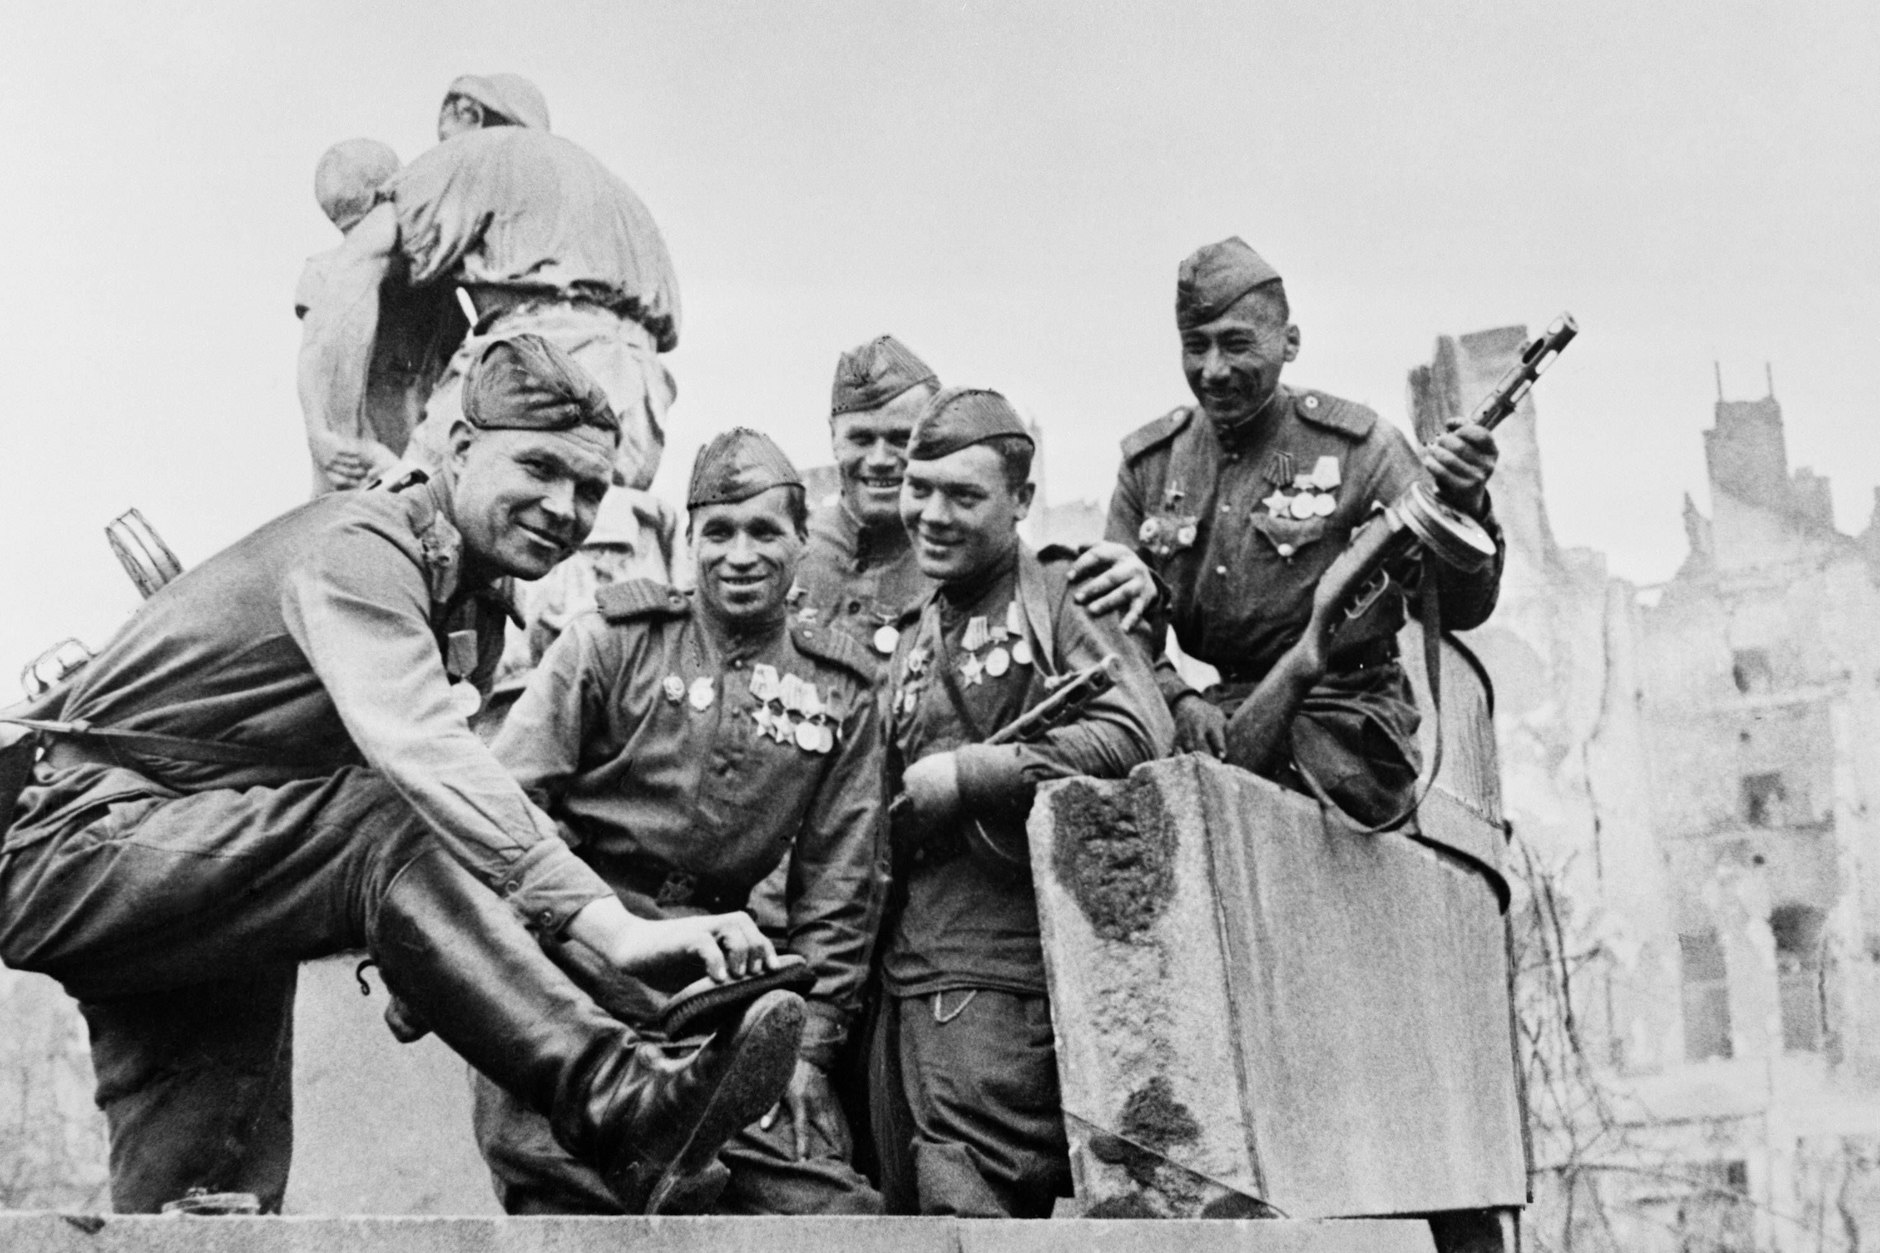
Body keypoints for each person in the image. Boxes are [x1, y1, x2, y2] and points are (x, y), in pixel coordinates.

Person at [0, 336, 799, 1216]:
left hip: (204, 879)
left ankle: (633, 1084)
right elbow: (420, 763)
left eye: (590, 489)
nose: (563, 507)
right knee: (392, 819)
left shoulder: (470, 603)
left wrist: (468, 958)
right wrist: (610, 929)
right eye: (537, 466)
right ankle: (613, 1098)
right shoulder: (362, 548)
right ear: (458, 450)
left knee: (199, 1206)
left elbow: (459, 844)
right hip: (84, 846)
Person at [479, 428, 883, 1216]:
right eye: (718, 533)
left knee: (832, 1213)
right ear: (688, 540)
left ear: (803, 540)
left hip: (716, 1000)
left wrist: (810, 1050)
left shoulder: (839, 688)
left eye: (765, 531)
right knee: (572, 1194)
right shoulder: (611, 641)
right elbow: (504, 810)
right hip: (573, 979)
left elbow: (841, 886)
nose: (739, 554)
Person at [869, 387, 1174, 1217]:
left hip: (1002, 986)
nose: (931, 514)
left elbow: (1138, 739)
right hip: (903, 984)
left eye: (963, 496)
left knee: (975, 1216)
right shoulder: (910, 626)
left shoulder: (1061, 596)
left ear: (1021, 502)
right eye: (917, 486)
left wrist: (970, 774)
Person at [1105, 237, 1504, 826]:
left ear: (1289, 343)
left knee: (1239, 808)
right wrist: (1178, 698)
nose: (1213, 371)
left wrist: (1468, 501)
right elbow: (1112, 622)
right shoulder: (1152, 464)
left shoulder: (1362, 448)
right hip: (1213, 715)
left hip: (1349, 722)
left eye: (1237, 344)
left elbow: (1462, 607)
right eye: (1196, 347)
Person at [298, 72, 680, 501]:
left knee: (415, 514)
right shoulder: (612, 191)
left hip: (533, 364)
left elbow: (349, 277)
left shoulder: (477, 154)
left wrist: (335, 438)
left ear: (466, 113)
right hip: (640, 396)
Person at [295, 138, 463, 495]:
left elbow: (310, 359)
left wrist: (319, 433)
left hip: (388, 444)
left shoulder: (430, 282)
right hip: (366, 446)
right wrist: (319, 436)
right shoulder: (327, 271)